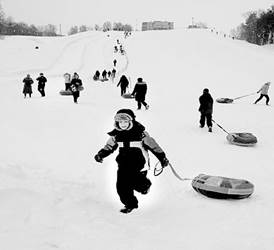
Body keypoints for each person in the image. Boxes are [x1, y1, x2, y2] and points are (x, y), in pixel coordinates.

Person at [94, 109, 169, 214]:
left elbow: (154, 146)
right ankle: (130, 204)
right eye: (120, 122)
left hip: (139, 164)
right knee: (121, 186)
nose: (123, 124)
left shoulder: (141, 134)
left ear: (131, 121)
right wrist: (101, 154)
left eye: (125, 122)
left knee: (135, 181)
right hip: (123, 163)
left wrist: (162, 158)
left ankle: (145, 186)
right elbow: (109, 146)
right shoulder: (116, 135)